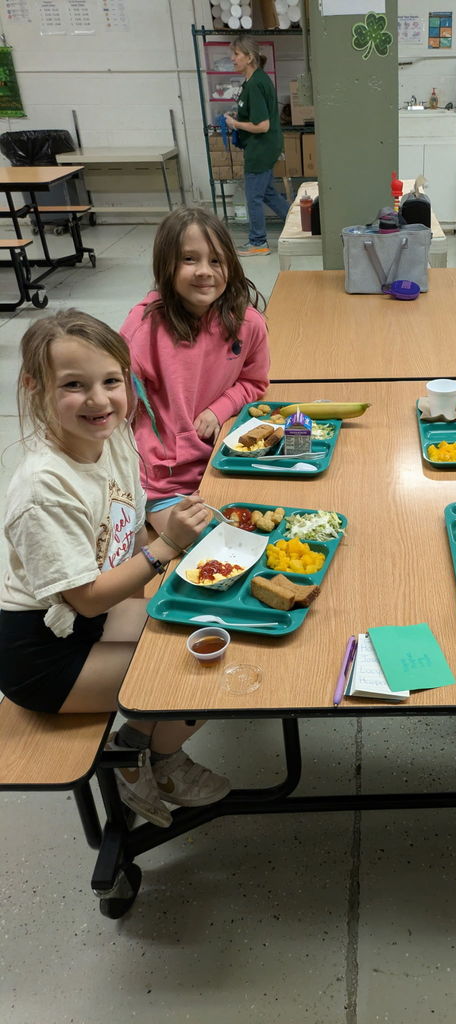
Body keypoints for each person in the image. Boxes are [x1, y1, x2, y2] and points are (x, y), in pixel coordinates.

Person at [0, 310, 231, 828]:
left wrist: (185, 528)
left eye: (110, 381)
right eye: (74, 386)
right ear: (36, 389)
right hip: (44, 651)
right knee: (197, 672)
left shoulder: (114, 442)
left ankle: (142, 745)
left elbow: (126, 534)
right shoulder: (44, 489)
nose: (100, 400)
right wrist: (169, 545)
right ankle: (148, 759)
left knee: (208, 629)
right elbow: (86, 598)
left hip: (92, 615)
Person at [122, 205, 270, 535]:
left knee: (269, 529)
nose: (204, 270)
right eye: (189, 259)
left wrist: (221, 409)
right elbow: (118, 410)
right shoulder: (143, 329)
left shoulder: (248, 324)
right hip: (163, 482)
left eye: (215, 260)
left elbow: (254, 381)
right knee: (216, 545)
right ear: (166, 265)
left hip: (224, 461)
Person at [225, 37, 289, 257]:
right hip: (264, 145)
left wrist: (234, 124)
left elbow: (262, 125)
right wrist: (239, 117)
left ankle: (258, 242)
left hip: (260, 148)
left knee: (253, 196)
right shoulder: (255, 80)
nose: (232, 59)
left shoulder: (255, 84)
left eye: (236, 54)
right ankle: (301, 226)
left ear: (249, 57)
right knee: (268, 193)